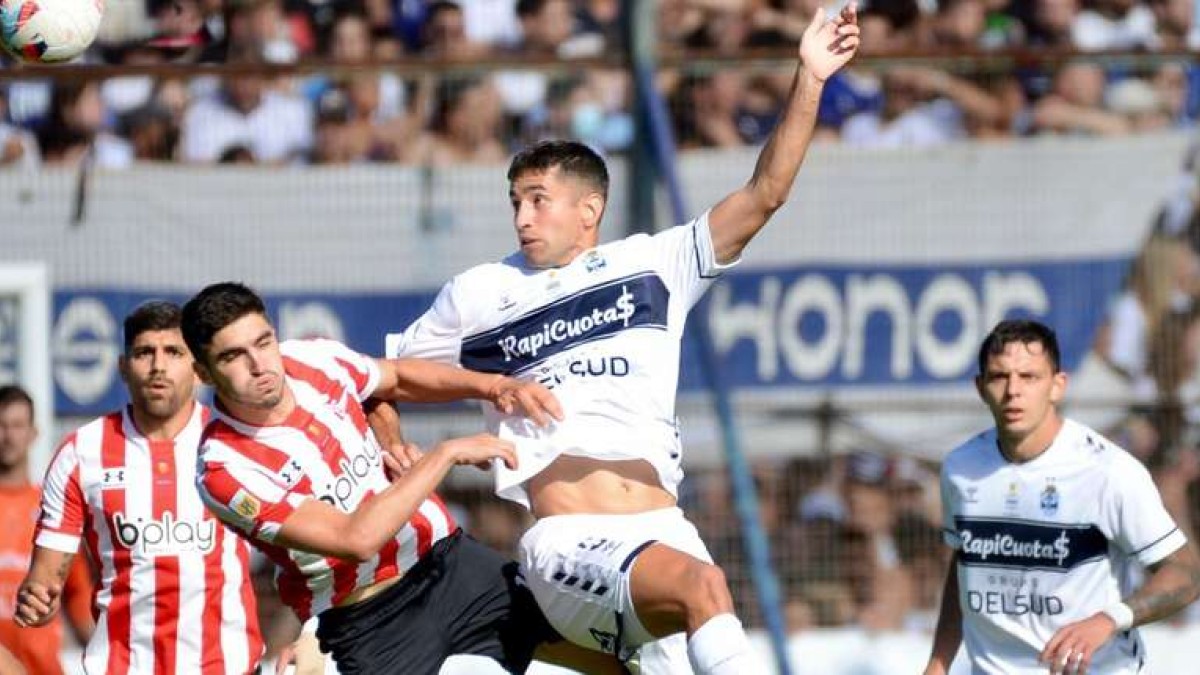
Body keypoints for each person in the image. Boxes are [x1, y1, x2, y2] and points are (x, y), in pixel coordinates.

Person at [383, 5, 861, 673]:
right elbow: (378, 377)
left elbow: (766, 193)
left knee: (698, 601)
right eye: (515, 201)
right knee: (705, 587)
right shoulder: (480, 293)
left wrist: (809, 78)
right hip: (567, 541)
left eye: (537, 198)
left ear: (590, 209)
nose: (522, 216)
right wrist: (392, 444)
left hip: (664, 532)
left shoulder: (654, 265)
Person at [181, 282, 619, 675]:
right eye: (233, 356)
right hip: (370, 619)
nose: (259, 365)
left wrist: (493, 387)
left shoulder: (311, 360)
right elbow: (356, 539)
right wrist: (444, 454)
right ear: (203, 374)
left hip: (451, 563)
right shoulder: (224, 469)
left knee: (602, 659)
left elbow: (394, 378)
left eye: (263, 342)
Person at [923, 319, 1200, 675]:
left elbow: (1186, 573)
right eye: (999, 377)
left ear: (1057, 386)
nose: (1013, 391)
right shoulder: (960, 468)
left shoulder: (1108, 471)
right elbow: (965, 566)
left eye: (1029, 377)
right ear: (980, 387)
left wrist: (1108, 620)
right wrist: (939, 662)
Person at [14, 301, 264, 674]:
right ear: (123, 367)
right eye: (145, 352)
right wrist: (37, 601)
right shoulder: (81, 453)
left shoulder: (237, 445)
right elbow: (45, 580)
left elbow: (301, 553)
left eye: (173, 352)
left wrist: (308, 633)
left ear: (198, 369)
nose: (158, 366)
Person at [0, 385, 94, 675]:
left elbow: (77, 593)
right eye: (1, 426)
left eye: (17, 425)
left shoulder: (54, 509)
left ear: (33, 433)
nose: (8, 436)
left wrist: (101, 655)